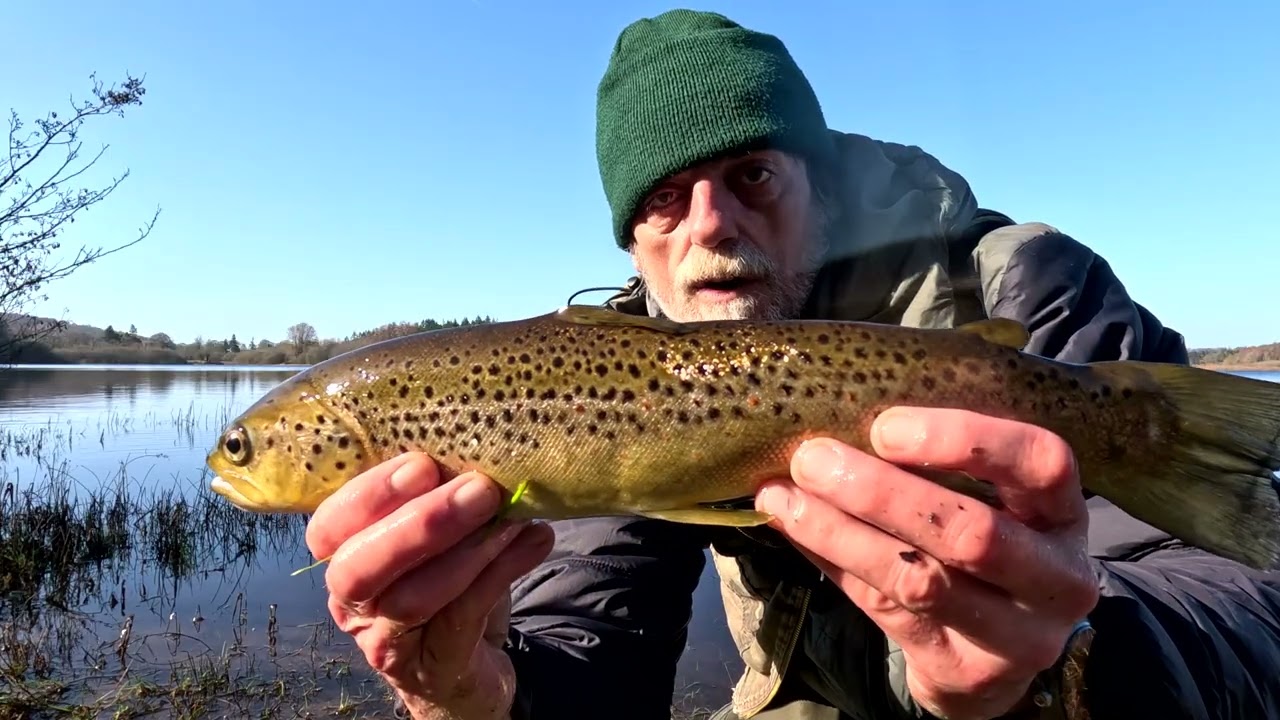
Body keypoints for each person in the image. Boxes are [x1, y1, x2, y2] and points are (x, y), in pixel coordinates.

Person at [303, 9, 1280, 720]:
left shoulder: (1018, 291)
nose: (710, 226)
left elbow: (1249, 598)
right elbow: (594, 648)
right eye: (662, 200)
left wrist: (1072, 657)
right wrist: (487, 696)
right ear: (630, 241)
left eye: (751, 175)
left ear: (817, 178)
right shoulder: (595, 383)